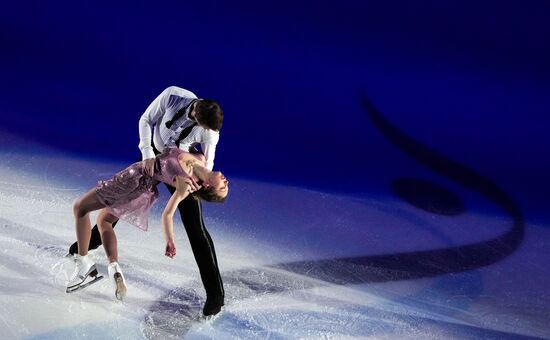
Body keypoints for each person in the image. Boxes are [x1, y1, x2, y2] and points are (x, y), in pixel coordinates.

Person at [67, 86, 226, 316]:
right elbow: (146, 119)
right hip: (153, 157)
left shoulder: (210, 132)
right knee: (120, 203)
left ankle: (215, 295)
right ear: (195, 114)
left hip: (177, 169)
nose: (207, 133)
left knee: (196, 228)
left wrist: (193, 182)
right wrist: (147, 154)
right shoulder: (173, 96)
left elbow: (208, 165)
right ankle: (88, 243)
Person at [67, 148, 229, 302]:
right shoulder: (200, 158)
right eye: (225, 186)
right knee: (105, 221)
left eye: (222, 187)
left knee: (80, 208)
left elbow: (168, 214)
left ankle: (83, 263)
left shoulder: (186, 184)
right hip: (139, 185)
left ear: (207, 186)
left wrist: (170, 241)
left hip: (130, 181)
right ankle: (114, 267)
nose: (226, 182)